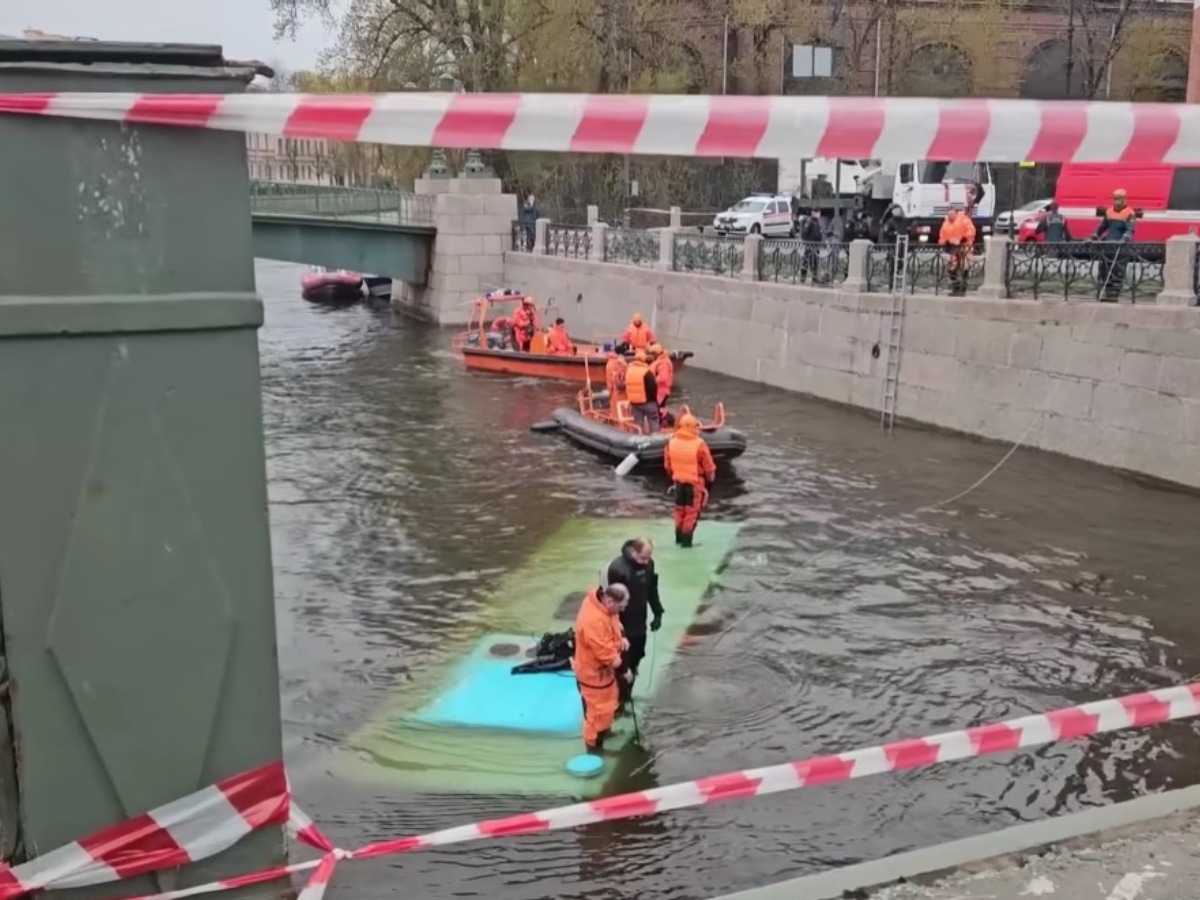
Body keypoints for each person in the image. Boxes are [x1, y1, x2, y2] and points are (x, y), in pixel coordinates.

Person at [572, 583, 632, 755]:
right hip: (592, 676)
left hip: (604, 675)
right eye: (621, 606)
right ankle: (593, 748)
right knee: (595, 715)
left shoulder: (604, 606)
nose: (623, 609)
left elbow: (614, 621)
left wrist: (622, 637)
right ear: (610, 601)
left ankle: (604, 732)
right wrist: (625, 670)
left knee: (607, 707)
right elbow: (605, 654)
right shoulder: (594, 621)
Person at [604, 538, 663, 711]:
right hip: (622, 625)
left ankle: (626, 693)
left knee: (635, 659)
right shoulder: (617, 569)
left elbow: (652, 589)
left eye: (648, 558)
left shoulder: (648, 565)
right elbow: (610, 605)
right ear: (633, 552)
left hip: (639, 623)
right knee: (622, 664)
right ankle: (618, 703)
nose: (646, 562)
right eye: (643, 558)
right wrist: (619, 632)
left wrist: (658, 612)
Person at [665, 413, 716, 548]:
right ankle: (687, 544)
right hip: (695, 484)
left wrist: (674, 476)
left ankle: (678, 539)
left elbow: (667, 466)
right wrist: (710, 481)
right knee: (691, 514)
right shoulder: (699, 444)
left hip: (678, 483)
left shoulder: (671, 442)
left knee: (679, 511)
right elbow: (709, 467)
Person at [1093, 188, 1136, 302]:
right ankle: (1105, 293)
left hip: (1121, 248)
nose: (1117, 202)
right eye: (1115, 199)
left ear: (1124, 200)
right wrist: (1095, 234)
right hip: (1108, 245)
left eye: (1119, 199)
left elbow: (1130, 229)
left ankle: (1114, 295)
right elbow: (1102, 226)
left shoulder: (1129, 212)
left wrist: (1125, 237)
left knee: (1117, 270)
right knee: (1105, 270)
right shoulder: (1109, 211)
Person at [938, 205, 976, 297]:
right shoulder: (946, 223)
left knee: (964, 266)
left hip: (965, 247)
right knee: (952, 268)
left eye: (952, 215)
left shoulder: (964, 219)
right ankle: (955, 288)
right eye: (949, 215)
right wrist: (946, 242)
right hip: (953, 248)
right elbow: (942, 236)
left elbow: (971, 231)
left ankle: (963, 289)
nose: (950, 217)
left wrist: (961, 240)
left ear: (956, 213)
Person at [623, 350, 658, 434]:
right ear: (644, 359)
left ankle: (637, 440)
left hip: (634, 403)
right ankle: (655, 443)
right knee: (653, 424)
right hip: (648, 402)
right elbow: (652, 388)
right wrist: (654, 400)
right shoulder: (647, 372)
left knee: (637, 425)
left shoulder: (629, 370)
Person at [648, 343, 674, 427]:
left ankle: (664, 424)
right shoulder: (661, 361)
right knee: (658, 408)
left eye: (652, 354)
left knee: (658, 408)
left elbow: (663, 378)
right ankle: (662, 423)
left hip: (661, 391)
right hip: (659, 390)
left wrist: (651, 381)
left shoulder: (663, 363)